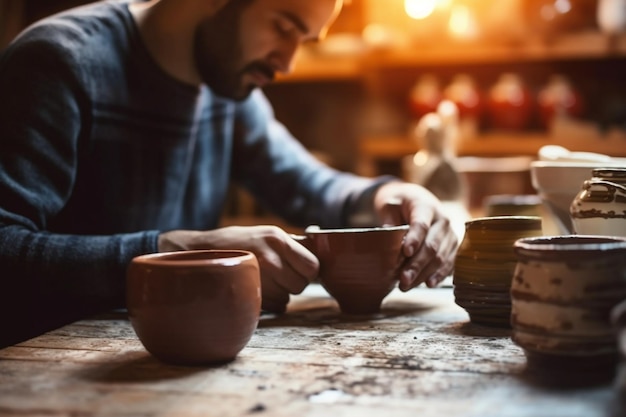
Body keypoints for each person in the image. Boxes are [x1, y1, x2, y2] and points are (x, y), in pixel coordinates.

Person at [0, 0, 458, 348]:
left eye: (305, 40)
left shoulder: (228, 92)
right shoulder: (60, 63)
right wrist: (179, 252)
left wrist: (392, 196)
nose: (287, 63)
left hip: (169, 360)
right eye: (283, 27)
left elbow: (308, 185)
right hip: (43, 366)